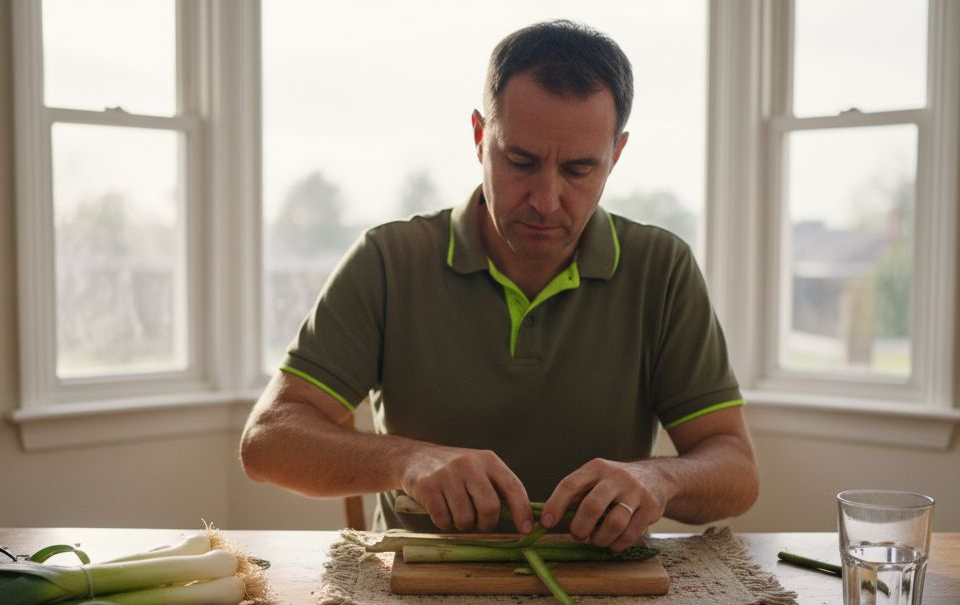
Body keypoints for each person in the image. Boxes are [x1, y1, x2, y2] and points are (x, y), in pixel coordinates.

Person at [241, 20, 758, 552]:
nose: (546, 200)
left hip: (606, 590)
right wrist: (408, 460)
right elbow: (266, 442)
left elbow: (736, 470)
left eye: (580, 169)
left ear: (616, 155)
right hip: (419, 588)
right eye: (520, 161)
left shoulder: (661, 266)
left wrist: (660, 479)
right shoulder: (389, 260)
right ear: (478, 136)